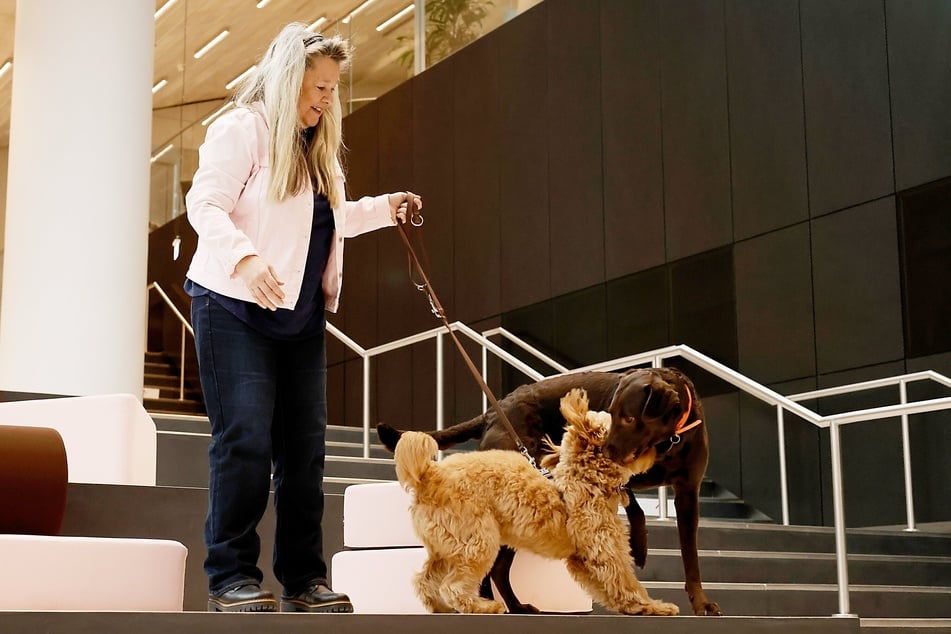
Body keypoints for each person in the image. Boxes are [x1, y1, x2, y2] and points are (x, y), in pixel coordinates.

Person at [183, 23, 421, 613]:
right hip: (234, 308)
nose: (325, 99)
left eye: (333, 89)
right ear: (289, 79)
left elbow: (331, 219)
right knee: (243, 441)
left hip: (300, 318)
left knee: (305, 452)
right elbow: (203, 202)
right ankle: (231, 576)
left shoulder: (319, 153)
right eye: (317, 86)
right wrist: (244, 257)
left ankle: (303, 578)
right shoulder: (244, 131)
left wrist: (385, 209)